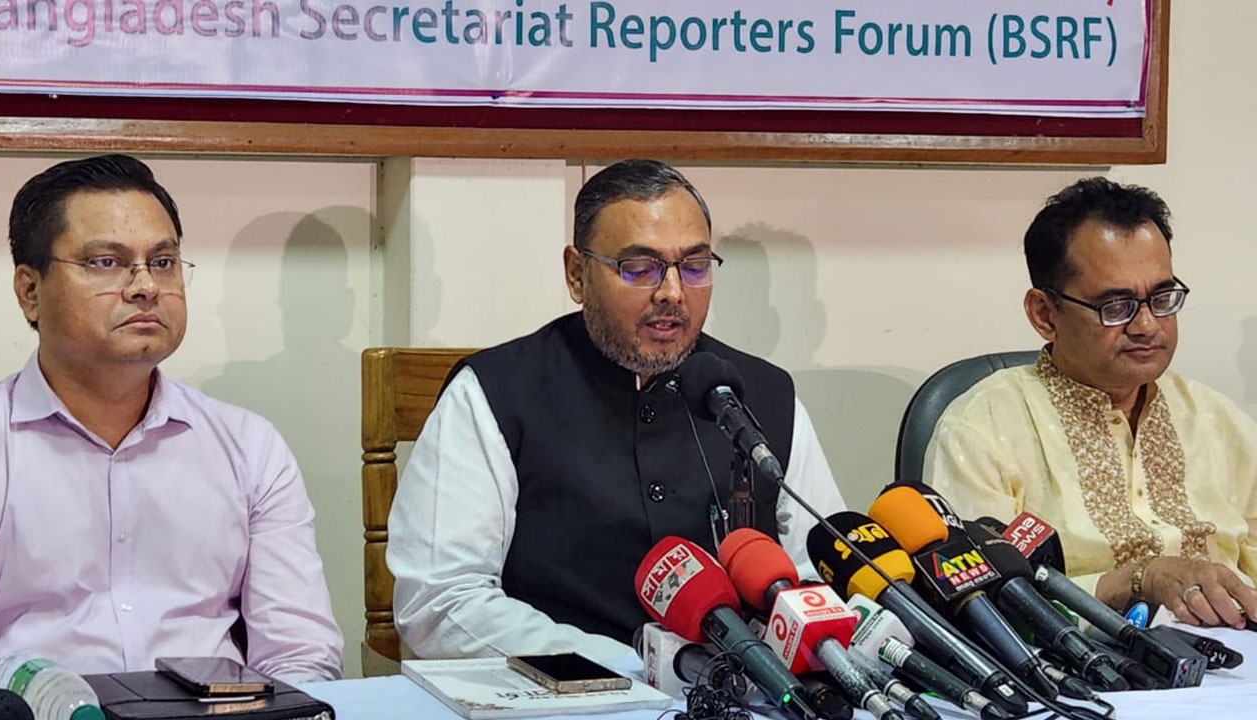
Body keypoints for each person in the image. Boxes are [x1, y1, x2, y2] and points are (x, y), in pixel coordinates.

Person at [388, 159, 845, 661]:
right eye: (640, 268)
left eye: (694, 266)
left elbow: (820, 580)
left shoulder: (763, 394)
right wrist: (632, 669)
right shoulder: (496, 393)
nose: (672, 293)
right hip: (567, 693)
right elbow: (440, 602)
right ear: (577, 274)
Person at [0, 155, 343, 683]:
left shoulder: (249, 447)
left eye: (164, 261)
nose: (145, 286)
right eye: (106, 262)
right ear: (30, 291)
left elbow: (300, 654)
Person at [926, 177, 1257, 629]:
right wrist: (1135, 580)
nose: (1146, 325)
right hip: (1073, 663)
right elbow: (977, 606)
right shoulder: (982, 429)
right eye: (1116, 305)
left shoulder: (1219, 421)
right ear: (1044, 314)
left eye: (1162, 298)